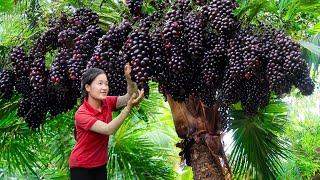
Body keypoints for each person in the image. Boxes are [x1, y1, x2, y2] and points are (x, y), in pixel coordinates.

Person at [69, 63, 144, 180]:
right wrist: (128, 108)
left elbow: (130, 96)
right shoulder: (81, 113)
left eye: (106, 84)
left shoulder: (107, 102)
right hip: (81, 167)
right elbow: (108, 129)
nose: (105, 87)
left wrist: (129, 79)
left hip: (100, 165)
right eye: (100, 83)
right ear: (88, 87)